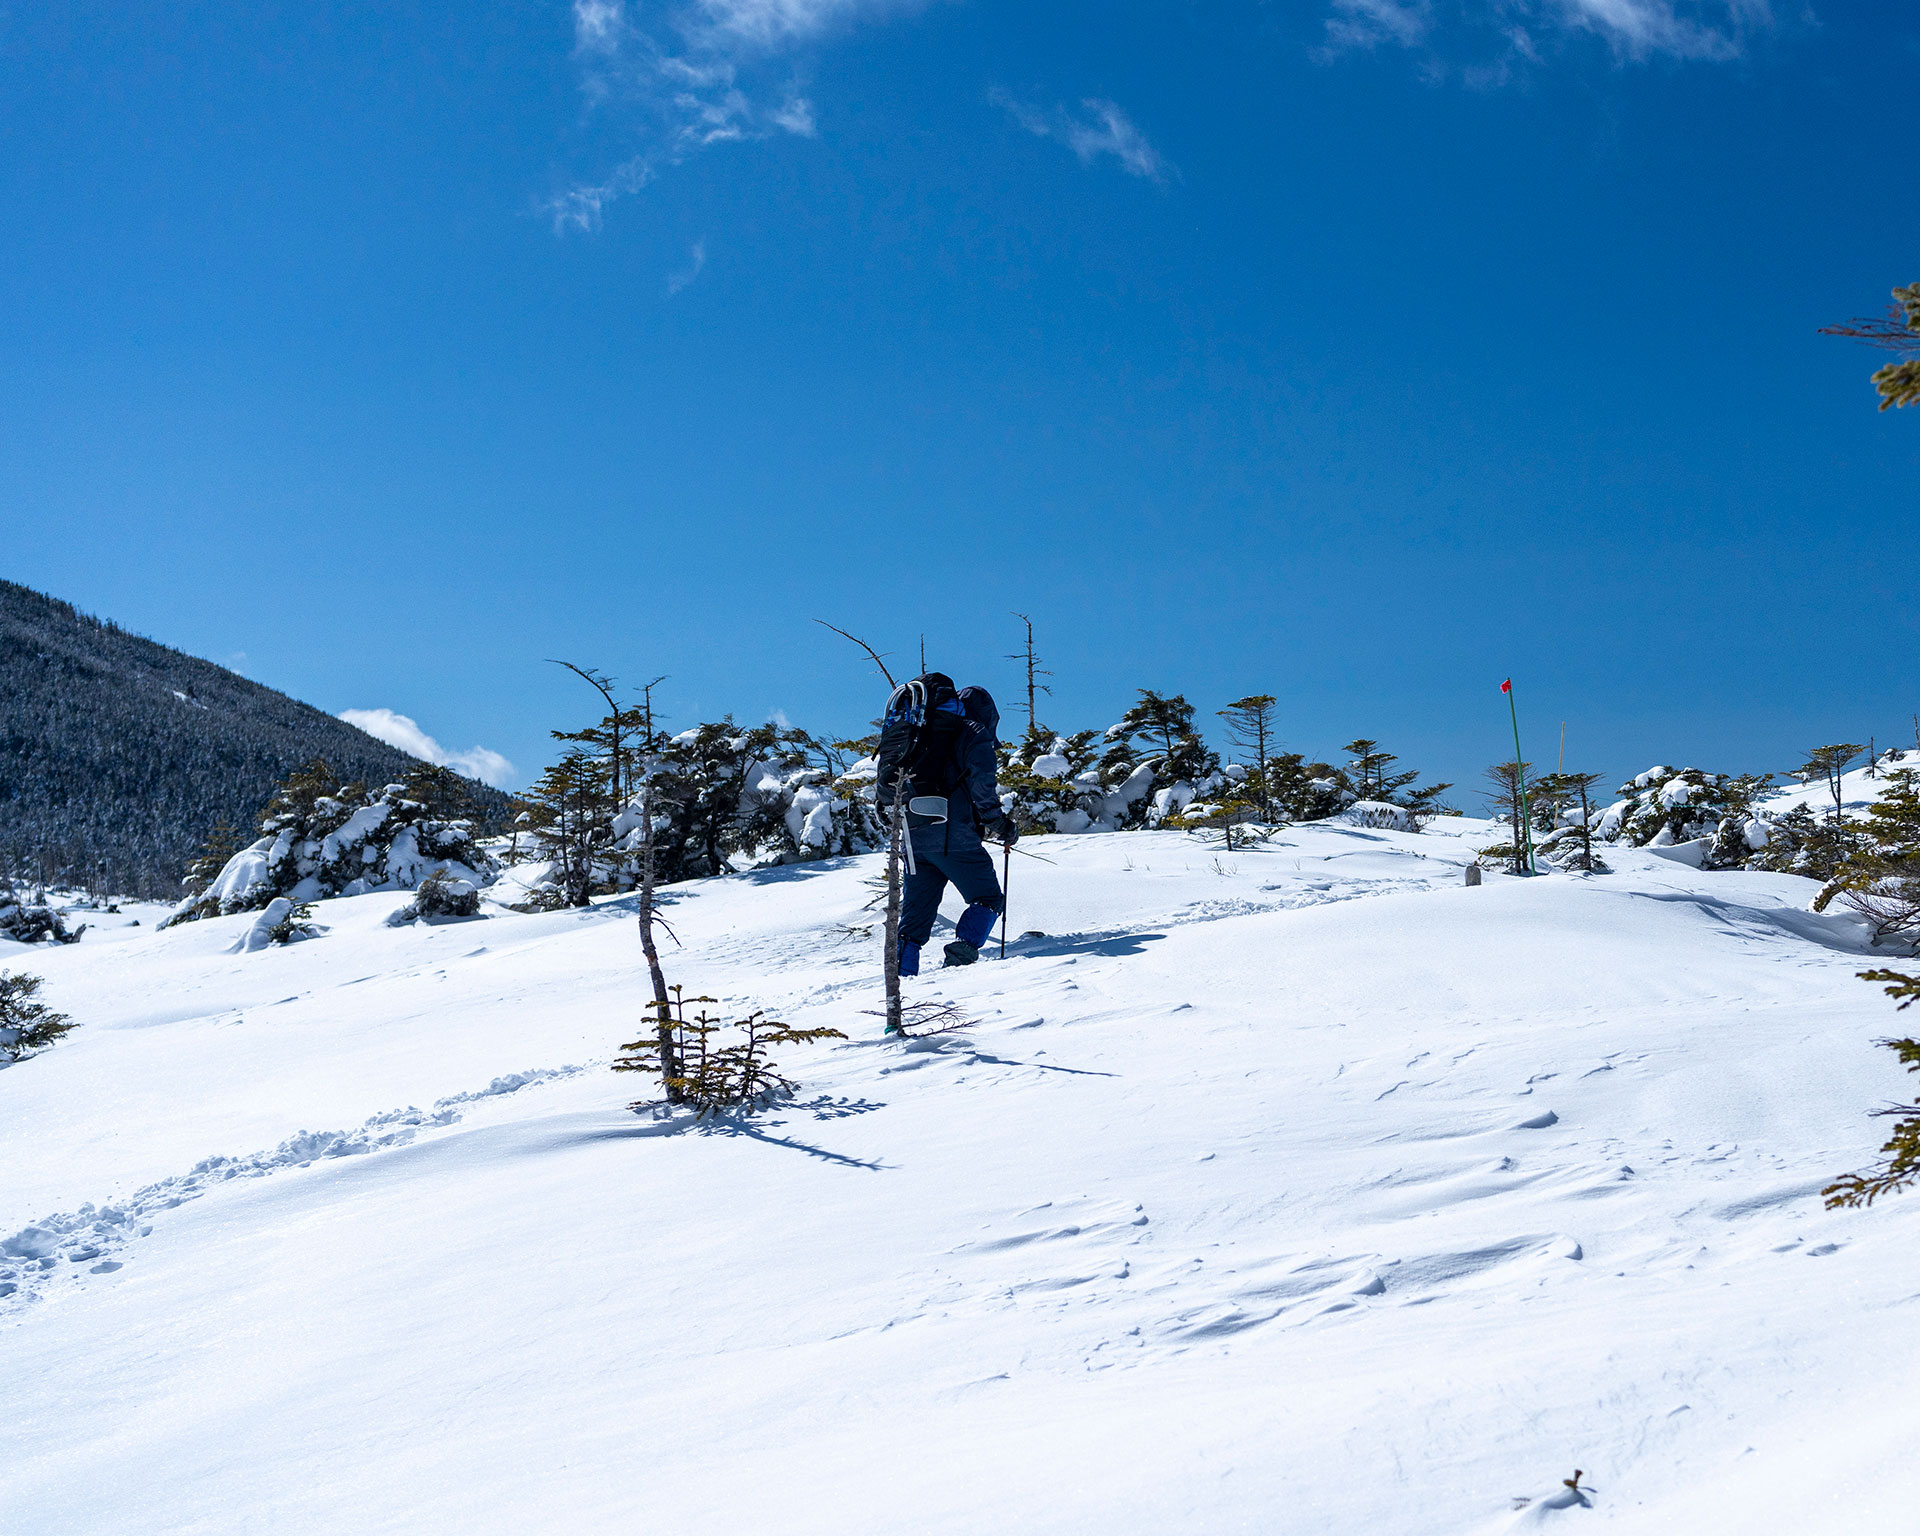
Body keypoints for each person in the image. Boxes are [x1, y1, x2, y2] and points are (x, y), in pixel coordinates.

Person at [873, 672, 1019, 974]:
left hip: (913, 838)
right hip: (954, 837)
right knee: (988, 898)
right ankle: (960, 961)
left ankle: (901, 977)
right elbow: (982, 786)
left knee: (915, 919)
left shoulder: (921, 729)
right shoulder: (972, 732)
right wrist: (999, 824)